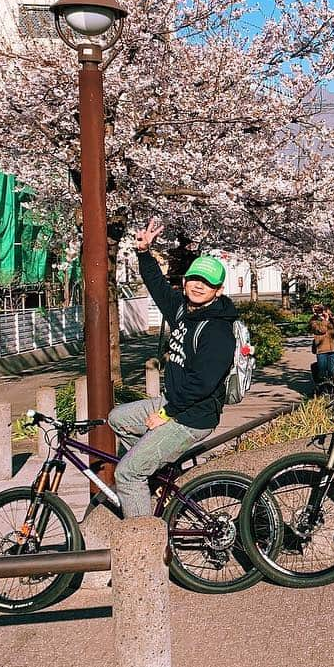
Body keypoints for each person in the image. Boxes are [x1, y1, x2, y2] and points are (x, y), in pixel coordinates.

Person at [107, 218, 237, 518]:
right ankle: (153, 473)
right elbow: (157, 286)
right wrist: (143, 252)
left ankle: (143, 547)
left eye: (207, 283)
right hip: (175, 403)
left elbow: (202, 384)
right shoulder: (183, 309)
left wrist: (166, 414)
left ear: (217, 290)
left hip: (193, 416)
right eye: (195, 279)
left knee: (126, 474)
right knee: (118, 418)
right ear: (186, 280)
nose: (199, 286)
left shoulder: (217, 331)